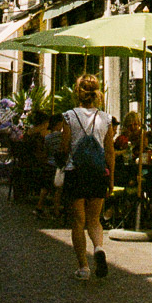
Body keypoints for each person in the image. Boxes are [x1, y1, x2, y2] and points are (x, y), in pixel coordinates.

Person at [60, 74, 114, 280]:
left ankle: (83, 267)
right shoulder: (106, 119)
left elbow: (65, 147)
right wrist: (110, 179)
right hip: (98, 173)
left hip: (76, 172)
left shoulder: (69, 116)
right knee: (94, 220)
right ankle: (99, 248)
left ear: (78, 93)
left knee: (78, 221)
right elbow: (109, 152)